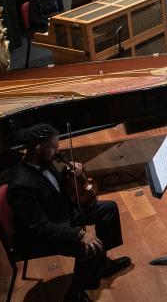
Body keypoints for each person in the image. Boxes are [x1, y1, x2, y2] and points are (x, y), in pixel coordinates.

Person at [8, 124, 130, 302]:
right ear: (38, 148)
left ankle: (102, 265)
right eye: (54, 147)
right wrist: (80, 234)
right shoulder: (21, 186)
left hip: (62, 214)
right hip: (44, 234)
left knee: (108, 209)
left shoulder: (44, 162)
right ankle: (74, 294)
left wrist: (69, 173)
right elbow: (40, 227)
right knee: (89, 248)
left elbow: (55, 190)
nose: (58, 151)